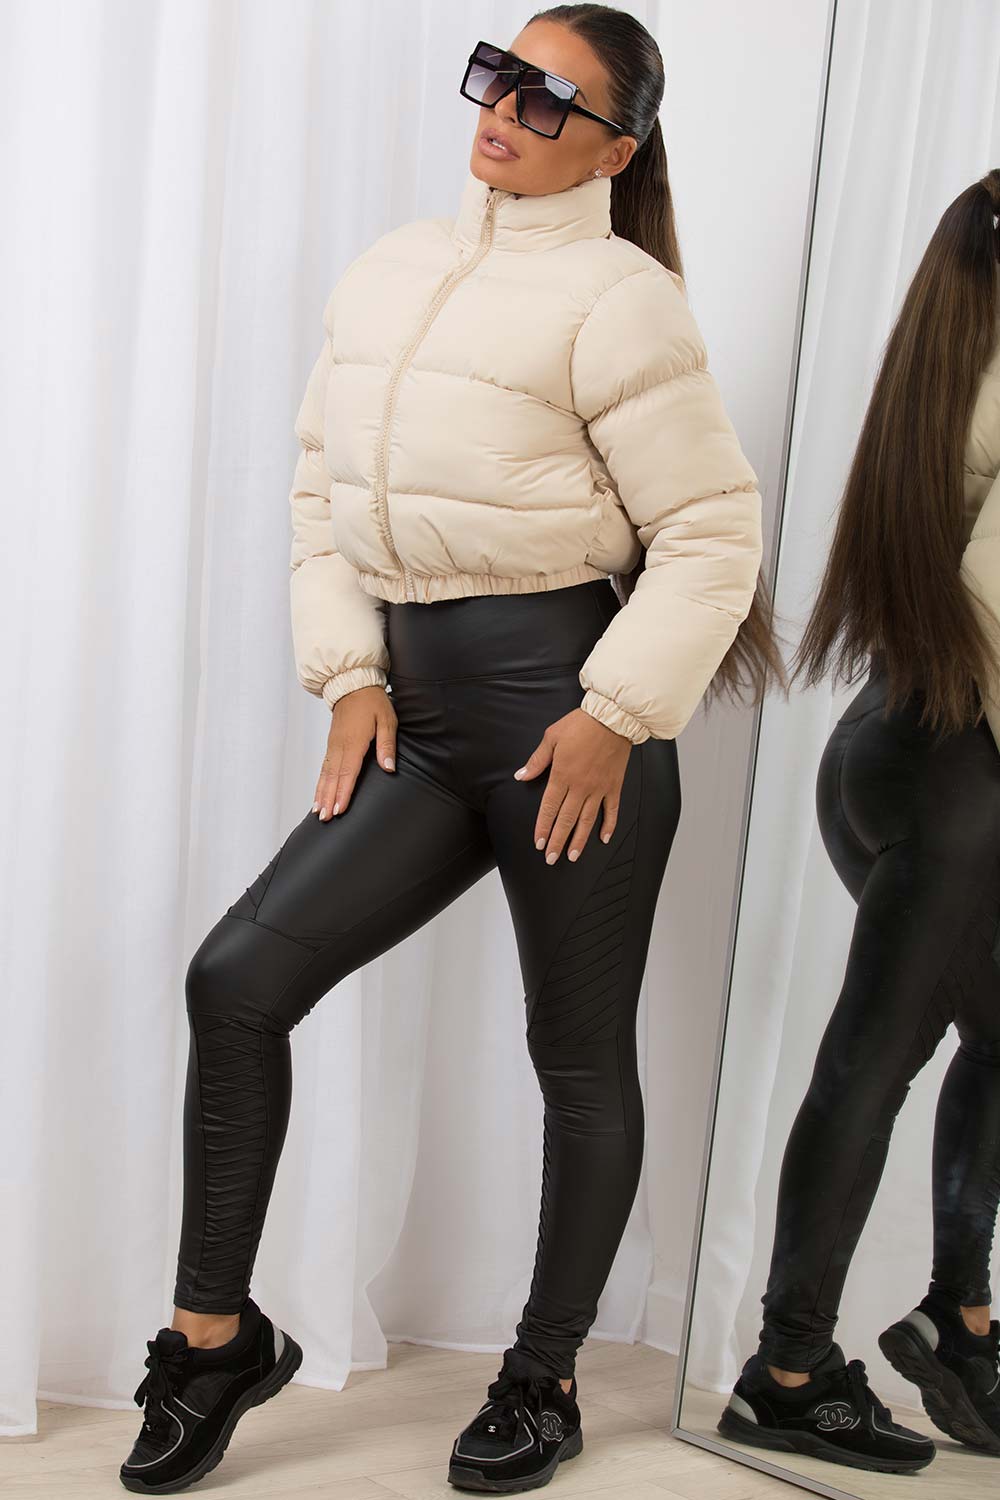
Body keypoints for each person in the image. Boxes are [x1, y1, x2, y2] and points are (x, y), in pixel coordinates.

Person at [119, 7, 780, 1494]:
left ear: (614, 149)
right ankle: (214, 1341)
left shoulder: (625, 301)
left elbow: (710, 532)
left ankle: (543, 1377)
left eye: (551, 99)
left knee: (578, 1058)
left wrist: (616, 715)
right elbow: (319, 491)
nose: (504, 109)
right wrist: (350, 673)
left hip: (570, 717)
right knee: (237, 980)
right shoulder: (393, 267)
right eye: (500, 75)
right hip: (417, 727)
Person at [719, 167, 1000, 1477]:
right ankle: (788, 1372)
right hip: (962, 777)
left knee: (951, 1040)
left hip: (886, 747)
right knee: (874, 1059)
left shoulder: (948, 353)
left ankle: (958, 1318)